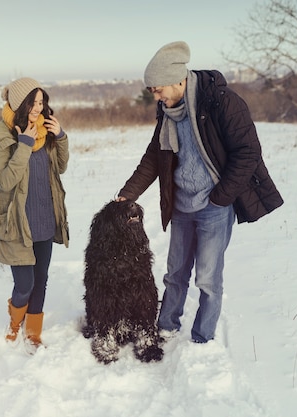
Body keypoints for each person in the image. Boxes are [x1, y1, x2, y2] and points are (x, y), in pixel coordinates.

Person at [115, 41, 283, 344]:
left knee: (207, 278)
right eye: (151, 90)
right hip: (181, 204)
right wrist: (129, 194)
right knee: (175, 272)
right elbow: (154, 156)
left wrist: (221, 197)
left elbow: (248, 153)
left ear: (178, 79)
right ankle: (166, 327)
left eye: (157, 88)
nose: (154, 95)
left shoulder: (222, 102)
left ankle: (202, 337)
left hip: (214, 207)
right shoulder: (167, 111)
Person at [0, 77, 69, 351]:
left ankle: (33, 332)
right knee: (25, 284)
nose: (37, 109)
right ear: (18, 104)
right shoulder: (1, 136)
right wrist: (23, 144)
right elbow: (6, 181)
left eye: (41, 103)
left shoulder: (44, 133)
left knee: (40, 280)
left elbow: (61, 168)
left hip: (44, 216)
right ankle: (14, 322)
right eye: (32, 103)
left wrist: (61, 137)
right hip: (17, 223)